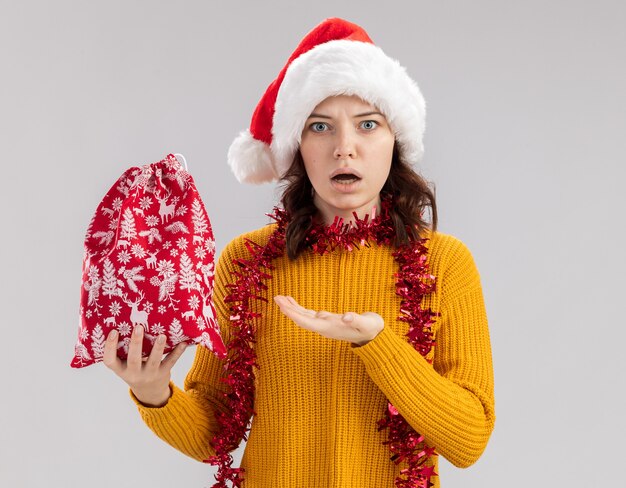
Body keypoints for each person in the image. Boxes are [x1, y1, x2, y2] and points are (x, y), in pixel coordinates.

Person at [103, 18, 495, 488]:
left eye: (368, 125)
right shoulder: (246, 262)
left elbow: (468, 440)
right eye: (320, 127)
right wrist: (153, 393)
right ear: (296, 147)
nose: (343, 148)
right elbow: (215, 434)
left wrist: (377, 343)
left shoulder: (444, 264)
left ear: (396, 141)